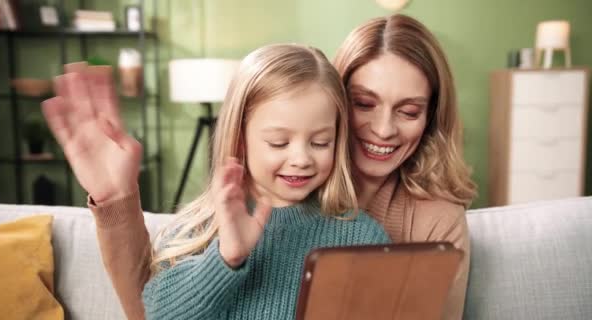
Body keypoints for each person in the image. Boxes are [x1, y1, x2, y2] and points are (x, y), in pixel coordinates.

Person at [44, 13, 476, 320]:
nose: (302, 157)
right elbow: (153, 311)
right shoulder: (205, 226)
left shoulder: (365, 233)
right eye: (365, 103)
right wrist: (226, 257)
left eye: (320, 141)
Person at [333, 14, 477, 319]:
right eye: (364, 104)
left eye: (408, 111)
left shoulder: (440, 222)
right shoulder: (291, 188)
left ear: (430, 119)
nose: (384, 130)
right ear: (334, 100)